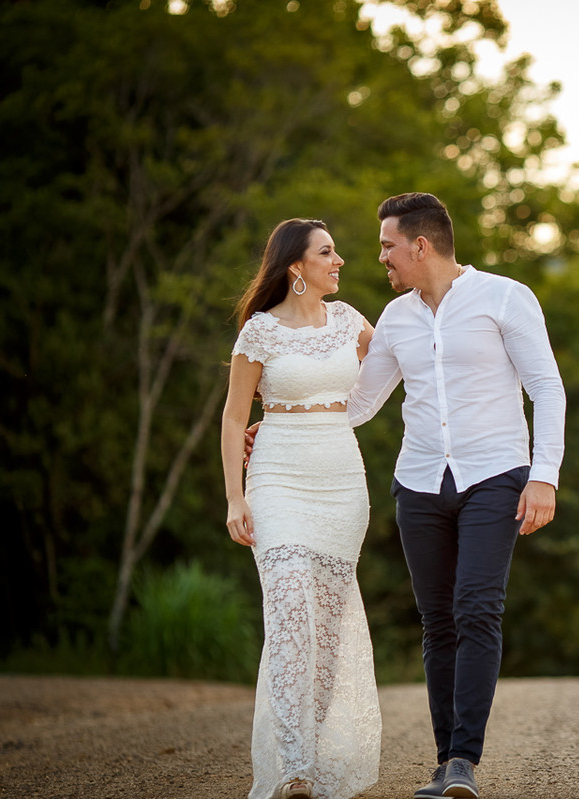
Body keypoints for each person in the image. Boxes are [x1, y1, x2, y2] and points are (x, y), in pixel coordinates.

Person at [348, 192, 566, 799]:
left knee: (476, 608)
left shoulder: (504, 296)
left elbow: (547, 389)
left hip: (496, 474)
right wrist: (289, 415)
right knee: (437, 622)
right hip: (419, 481)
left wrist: (543, 474)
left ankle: (465, 757)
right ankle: (446, 761)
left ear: (421, 245)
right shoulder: (395, 318)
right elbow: (362, 404)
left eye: (389, 246)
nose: (382, 258)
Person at [221, 219, 381, 799]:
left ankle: (310, 751)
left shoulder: (348, 321)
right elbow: (234, 417)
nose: (339, 261)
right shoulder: (258, 333)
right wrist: (235, 497)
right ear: (296, 266)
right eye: (328, 252)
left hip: (341, 481)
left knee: (329, 631)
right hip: (277, 479)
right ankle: (293, 767)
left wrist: (342, 413)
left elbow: (393, 368)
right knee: (289, 607)